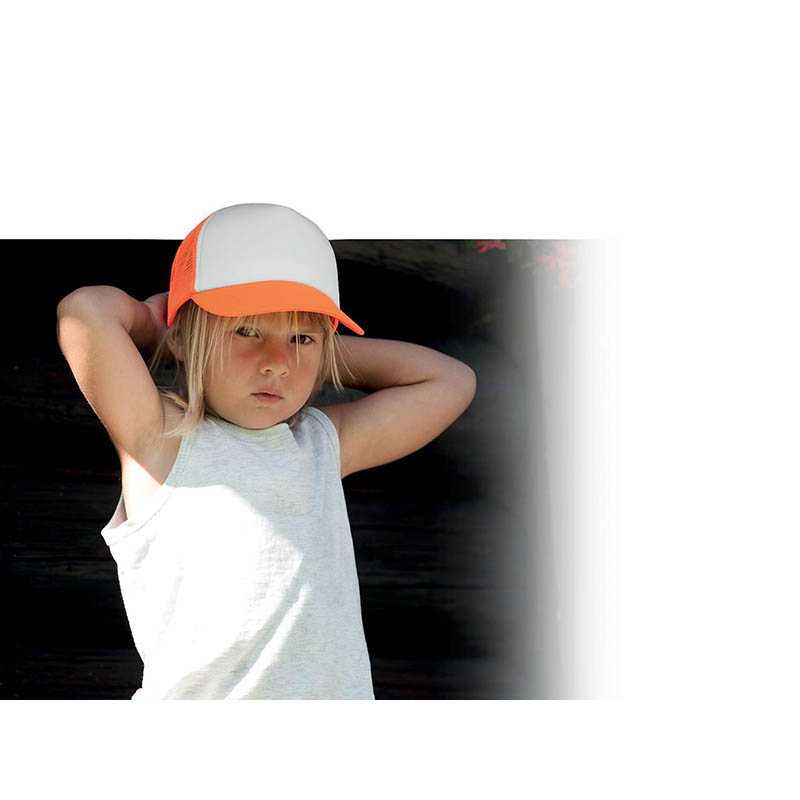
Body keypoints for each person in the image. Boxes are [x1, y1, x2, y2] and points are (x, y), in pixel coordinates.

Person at [56, 202, 477, 699]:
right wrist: (159, 324)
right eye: (247, 331)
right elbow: (85, 312)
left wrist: (319, 356)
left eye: (300, 338)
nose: (277, 362)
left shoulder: (320, 444)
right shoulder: (160, 436)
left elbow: (451, 380)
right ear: (185, 337)